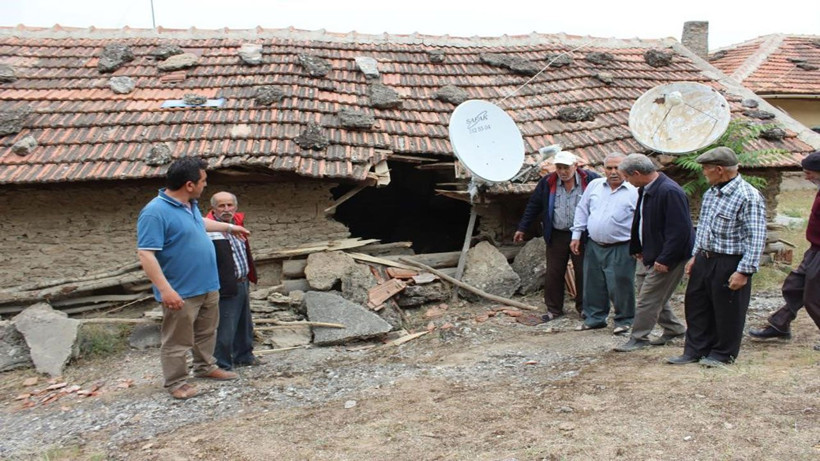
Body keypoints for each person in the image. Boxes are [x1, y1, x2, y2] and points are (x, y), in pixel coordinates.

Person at [137, 156, 250, 400]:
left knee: (206, 332)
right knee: (177, 339)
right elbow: (146, 254)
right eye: (203, 180)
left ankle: (205, 367)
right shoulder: (155, 212)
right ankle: (176, 382)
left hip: (208, 285)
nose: (205, 185)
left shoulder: (190, 205)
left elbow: (200, 224)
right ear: (189, 184)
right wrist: (166, 290)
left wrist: (231, 228)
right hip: (181, 289)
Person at [667, 147, 767, 367]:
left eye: (705, 169)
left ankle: (723, 353)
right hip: (705, 257)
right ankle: (695, 350)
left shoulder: (748, 196)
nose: (703, 173)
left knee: (727, 309)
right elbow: (703, 228)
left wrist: (744, 270)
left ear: (719, 170)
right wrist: (695, 256)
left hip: (730, 260)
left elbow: (756, 236)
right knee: (697, 305)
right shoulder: (711, 192)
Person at [614, 154, 692, 352]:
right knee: (651, 294)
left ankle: (639, 337)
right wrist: (638, 248)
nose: (627, 182)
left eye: (627, 177)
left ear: (637, 173)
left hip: (667, 256)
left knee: (648, 298)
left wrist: (665, 258)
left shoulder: (669, 191)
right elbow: (642, 220)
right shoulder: (646, 189)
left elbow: (680, 230)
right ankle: (673, 328)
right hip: (650, 253)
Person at [514, 151, 600, 321]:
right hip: (557, 234)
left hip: (582, 234)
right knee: (554, 271)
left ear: (575, 166)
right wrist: (522, 227)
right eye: (559, 167)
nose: (562, 171)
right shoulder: (548, 182)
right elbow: (534, 205)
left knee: (584, 271)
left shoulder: (590, 180)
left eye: (566, 168)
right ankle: (554, 309)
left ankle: (585, 308)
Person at [748, 151, 820, 350]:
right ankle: (779, 325)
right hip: (814, 249)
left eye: (810, 173)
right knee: (794, 286)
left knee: (814, 296)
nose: (806, 177)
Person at [569, 153, 637, 333]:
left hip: (621, 245)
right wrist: (576, 235)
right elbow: (582, 210)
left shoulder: (634, 190)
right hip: (594, 244)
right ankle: (595, 318)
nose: (613, 172)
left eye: (618, 168)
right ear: (603, 169)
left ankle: (625, 320)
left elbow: (643, 219)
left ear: (626, 169)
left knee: (620, 285)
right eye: (609, 168)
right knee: (593, 283)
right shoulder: (595, 185)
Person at [206, 191, 262, 370]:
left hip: (242, 281)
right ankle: (222, 364)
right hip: (225, 285)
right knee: (226, 327)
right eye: (221, 206)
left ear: (235, 207)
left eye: (230, 205)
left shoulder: (237, 223)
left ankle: (244, 356)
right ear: (213, 208)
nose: (226, 209)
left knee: (244, 324)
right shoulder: (209, 229)